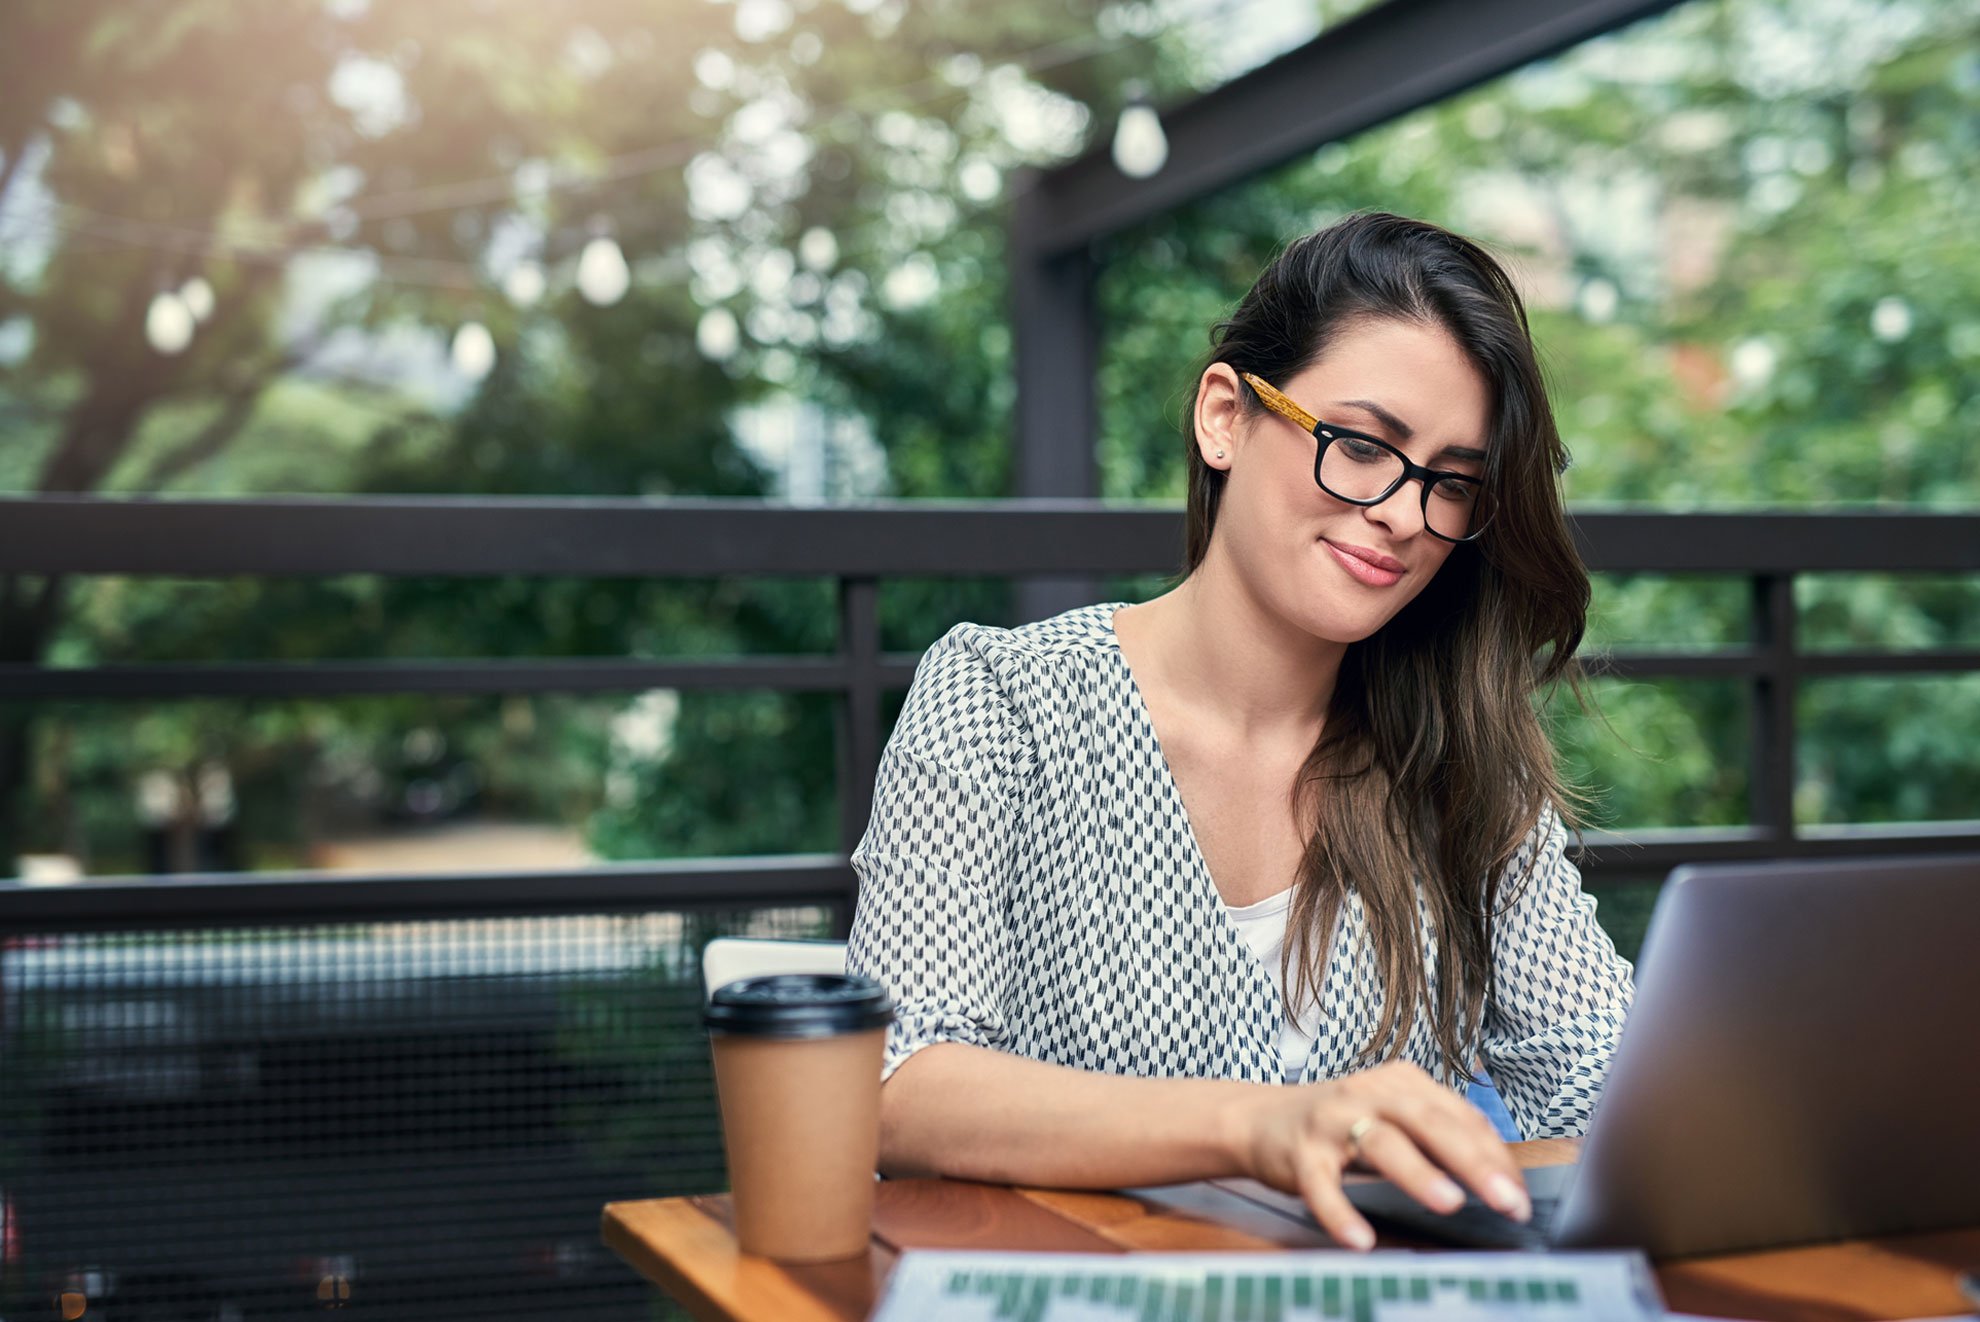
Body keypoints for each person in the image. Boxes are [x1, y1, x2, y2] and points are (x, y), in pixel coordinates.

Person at [843, 211, 1635, 1251]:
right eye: (1362, 446)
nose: (1404, 513)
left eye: (1452, 481)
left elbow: (1614, 1090)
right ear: (1226, 416)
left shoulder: (1456, 755)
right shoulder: (1002, 699)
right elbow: (900, 1085)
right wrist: (1262, 1126)